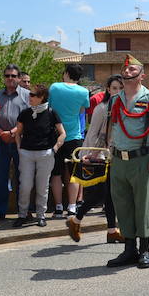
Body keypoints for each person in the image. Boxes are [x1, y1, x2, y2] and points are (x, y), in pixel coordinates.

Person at [105, 55, 149, 269]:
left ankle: (145, 250)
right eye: (125, 69)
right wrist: (108, 148)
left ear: (142, 75)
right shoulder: (115, 99)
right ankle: (129, 249)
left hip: (141, 158)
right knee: (122, 204)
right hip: (119, 158)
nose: (127, 71)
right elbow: (112, 126)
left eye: (132, 69)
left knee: (142, 205)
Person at [66, 74, 125, 243]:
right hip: (99, 157)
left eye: (121, 88)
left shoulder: (123, 108)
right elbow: (96, 133)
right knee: (101, 194)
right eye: (114, 88)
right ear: (108, 89)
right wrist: (90, 155)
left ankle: (110, 230)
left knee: (109, 195)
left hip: (113, 156)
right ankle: (77, 221)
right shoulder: (103, 108)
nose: (118, 91)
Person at [13, 84, 65, 228]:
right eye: (30, 94)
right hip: (27, 153)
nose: (29, 97)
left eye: (33, 95)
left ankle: (41, 215)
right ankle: (22, 214)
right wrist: (19, 148)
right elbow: (18, 133)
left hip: (45, 153)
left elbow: (62, 133)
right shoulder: (25, 113)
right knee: (25, 185)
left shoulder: (51, 113)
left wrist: (54, 148)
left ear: (41, 98)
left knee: (42, 187)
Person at [48, 63, 90, 218]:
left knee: (56, 173)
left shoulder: (54, 87)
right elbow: (81, 111)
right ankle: (72, 206)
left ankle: (58, 207)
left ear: (65, 73)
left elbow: (50, 107)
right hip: (74, 136)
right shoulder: (84, 91)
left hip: (55, 135)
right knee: (74, 174)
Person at [0, 64, 30, 223]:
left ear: (19, 78)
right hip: (0, 141)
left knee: (23, 177)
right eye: (7, 76)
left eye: (13, 76)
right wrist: (1, 132)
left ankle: (25, 211)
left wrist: (15, 132)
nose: (10, 79)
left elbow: (30, 118)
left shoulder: (27, 95)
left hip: (21, 141)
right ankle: (0, 210)